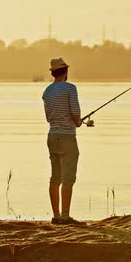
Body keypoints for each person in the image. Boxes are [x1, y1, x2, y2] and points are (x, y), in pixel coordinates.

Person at [42, 57, 84, 225]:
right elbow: (75, 113)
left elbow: (48, 117)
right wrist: (79, 122)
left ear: (53, 73)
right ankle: (65, 216)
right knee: (68, 178)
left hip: (52, 136)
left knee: (55, 177)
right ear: (65, 72)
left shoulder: (47, 92)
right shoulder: (70, 88)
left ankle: (56, 216)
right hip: (67, 136)